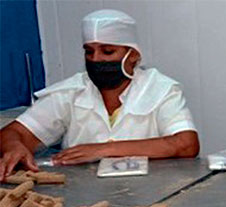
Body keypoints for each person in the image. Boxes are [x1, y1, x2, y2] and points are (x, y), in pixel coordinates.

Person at [0, 9, 199, 179]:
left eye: (108, 51)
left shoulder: (160, 89)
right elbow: (13, 133)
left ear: (133, 55)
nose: (96, 59)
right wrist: (14, 147)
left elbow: (185, 144)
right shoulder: (72, 91)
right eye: (89, 51)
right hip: (84, 199)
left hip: (153, 195)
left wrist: (102, 150)